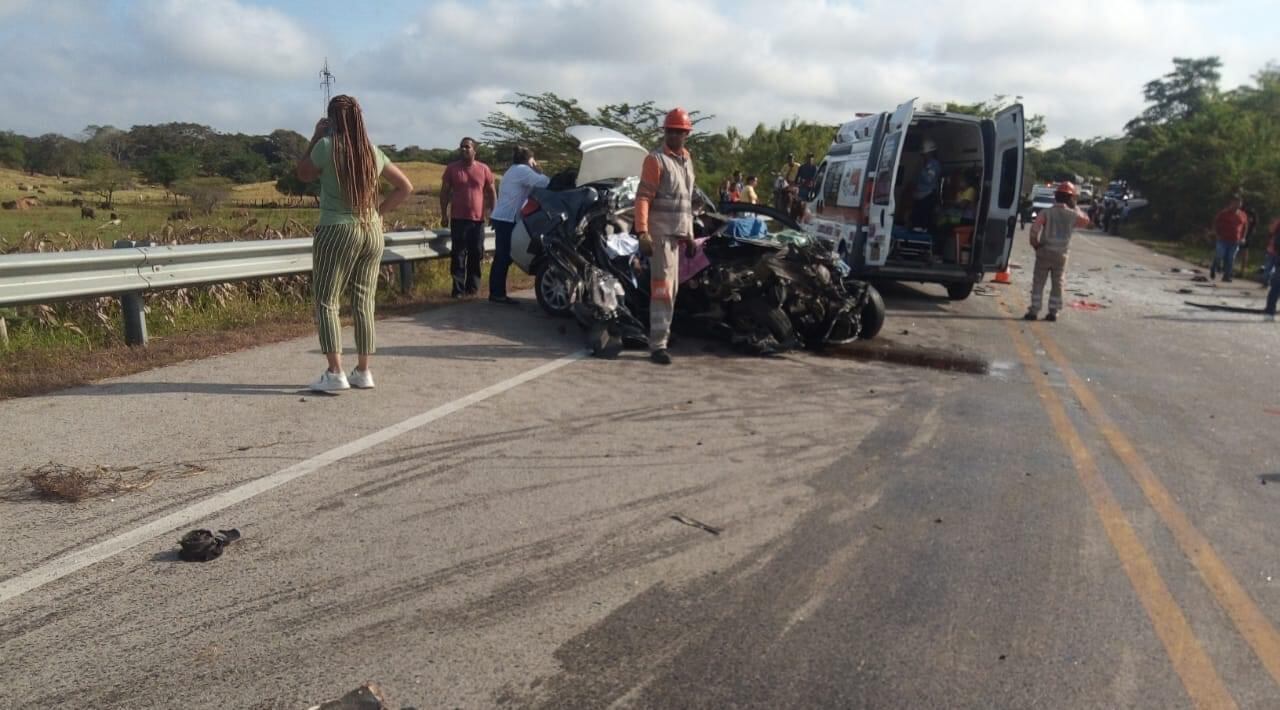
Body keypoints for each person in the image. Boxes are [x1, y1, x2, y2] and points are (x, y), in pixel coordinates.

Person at [296, 94, 413, 392]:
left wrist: (314, 136)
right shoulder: (372, 151)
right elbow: (405, 187)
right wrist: (377, 213)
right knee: (364, 302)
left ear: (332, 119)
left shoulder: (327, 147)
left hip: (337, 229)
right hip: (371, 229)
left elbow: (303, 173)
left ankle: (335, 372)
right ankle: (363, 371)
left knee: (327, 301)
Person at [635, 107, 696, 366]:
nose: (675, 135)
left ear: (686, 134)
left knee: (672, 290)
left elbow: (687, 202)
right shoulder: (655, 160)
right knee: (662, 292)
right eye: (671, 131)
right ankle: (658, 344)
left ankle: (664, 334)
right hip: (660, 237)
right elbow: (643, 197)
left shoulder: (686, 159)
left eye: (680, 132)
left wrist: (690, 235)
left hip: (678, 237)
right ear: (666, 132)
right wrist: (643, 232)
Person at [489, 145, 549, 304]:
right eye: (533, 159)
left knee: (503, 256)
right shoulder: (523, 170)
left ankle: (497, 292)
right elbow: (544, 182)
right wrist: (538, 169)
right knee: (503, 256)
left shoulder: (513, 170)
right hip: (507, 219)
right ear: (529, 159)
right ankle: (497, 294)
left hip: (503, 217)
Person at [1024, 181, 1090, 322]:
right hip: (1061, 255)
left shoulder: (1046, 213)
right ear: (1070, 198)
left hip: (1044, 252)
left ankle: (1034, 310)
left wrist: (1035, 245)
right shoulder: (1072, 215)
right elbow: (1086, 221)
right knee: (1058, 283)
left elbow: (1034, 230)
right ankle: (1053, 312)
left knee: (1038, 282)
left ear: (1056, 196)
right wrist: (1075, 206)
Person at [440, 137, 496, 298]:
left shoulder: (484, 169)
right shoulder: (452, 169)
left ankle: (473, 288)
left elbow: (492, 193)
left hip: (477, 220)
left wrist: (494, 213)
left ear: (474, 150)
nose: (464, 150)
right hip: (458, 218)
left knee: (476, 253)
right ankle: (458, 289)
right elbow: (444, 193)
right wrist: (444, 214)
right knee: (458, 254)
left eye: (467, 147)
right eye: (461, 147)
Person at [1209, 195, 1248, 282]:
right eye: (1235, 203)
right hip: (1222, 239)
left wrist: (1243, 237)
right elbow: (1215, 223)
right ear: (1231, 203)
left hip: (1235, 241)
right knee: (1220, 255)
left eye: (1239, 203)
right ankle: (1214, 266)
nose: (1237, 205)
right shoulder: (1223, 213)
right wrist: (1215, 233)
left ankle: (1226, 276)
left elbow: (1245, 226)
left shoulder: (1243, 215)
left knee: (1231, 258)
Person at [910, 138, 942, 231]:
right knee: (916, 219)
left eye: (924, 154)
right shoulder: (926, 164)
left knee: (923, 219)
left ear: (930, 153)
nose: (923, 156)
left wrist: (922, 170)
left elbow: (929, 179)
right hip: (920, 195)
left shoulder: (934, 164)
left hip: (927, 196)